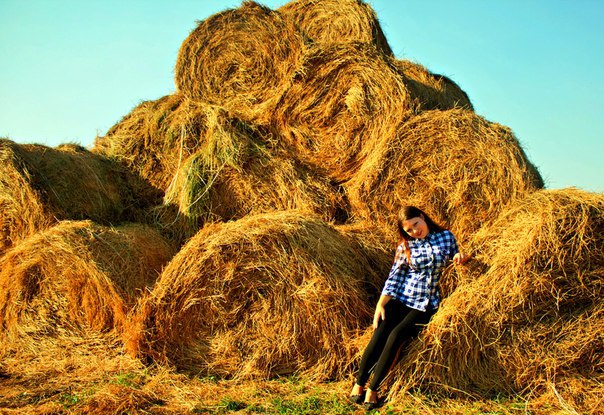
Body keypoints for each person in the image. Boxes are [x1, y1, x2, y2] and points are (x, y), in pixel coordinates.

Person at [348, 206, 470, 410]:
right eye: (409, 230)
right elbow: (395, 277)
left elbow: (456, 254)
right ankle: (359, 383)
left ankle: (374, 388)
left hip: (426, 303)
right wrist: (381, 304)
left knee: (396, 335)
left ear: (422, 217)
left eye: (416, 224)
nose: (415, 231)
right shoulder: (406, 246)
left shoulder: (446, 237)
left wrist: (460, 257)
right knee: (380, 333)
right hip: (402, 298)